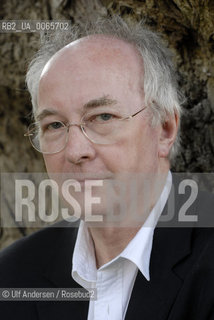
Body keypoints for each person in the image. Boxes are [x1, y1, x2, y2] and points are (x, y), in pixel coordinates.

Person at [0, 16, 214, 319]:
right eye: (55, 125)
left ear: (165, 129)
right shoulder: (13, 274)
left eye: (102, 117)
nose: (75, 151)